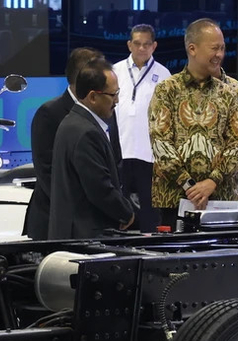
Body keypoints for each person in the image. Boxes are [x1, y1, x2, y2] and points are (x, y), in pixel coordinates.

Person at [148, 18, 238, 228]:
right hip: (174, 199)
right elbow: (160, 143)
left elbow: (237, 143)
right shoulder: (167, 90)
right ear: (192, 48)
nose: (220, 54)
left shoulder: (229, 93)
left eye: (222, 48)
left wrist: (212, 181)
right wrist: (189, 185)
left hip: (221, 197)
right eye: (214, 48)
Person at [25, 47, 107, 240]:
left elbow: (113, 162)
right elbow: (47, 172)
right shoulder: (49, 114)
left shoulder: (106, 109)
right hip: (57, 222)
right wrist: (83, 211)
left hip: (99, 223)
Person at [48, 59, 134, 239]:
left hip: (75, 233)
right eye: (113, 95)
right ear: (93, 97)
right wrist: (128, 213)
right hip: (85, 237)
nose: (117, 101)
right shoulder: (86, 132)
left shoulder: (75, 122)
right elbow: (100, 189)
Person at [112, 24, 171, 232]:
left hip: (149, 155)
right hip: (120, 151)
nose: (142, 48)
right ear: (129, 44)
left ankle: (149, 250)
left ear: (154, 46)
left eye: (147, 44)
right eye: (137, 44)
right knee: (119, 207)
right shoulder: (115, 71)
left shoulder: (164, 75)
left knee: (149, 211)